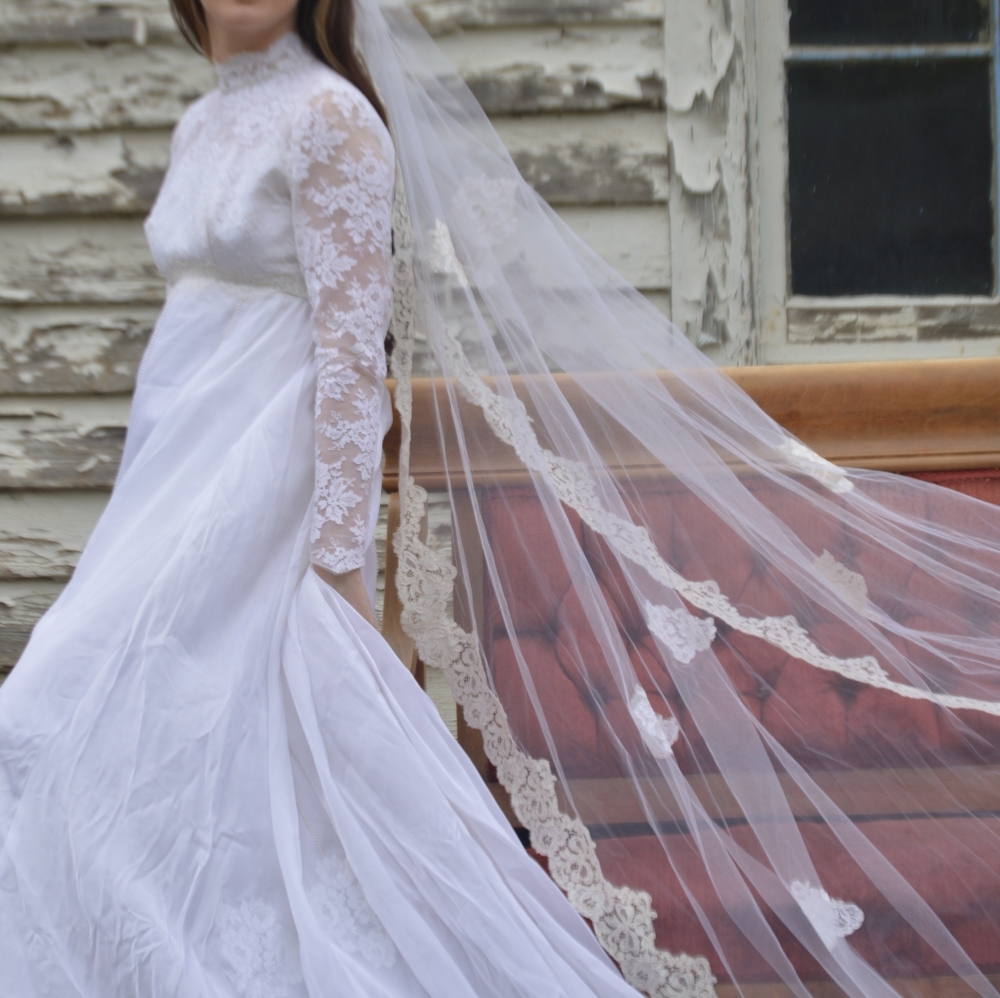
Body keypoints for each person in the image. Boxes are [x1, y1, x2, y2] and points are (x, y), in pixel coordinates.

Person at [2, 0, 1000, 995]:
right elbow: (183, 356)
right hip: (173, 479)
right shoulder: (198, 125)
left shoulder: (332, 119)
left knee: (59, 715)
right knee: (125, 758)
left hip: (257, 501)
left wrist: (338, 560)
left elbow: (352, 356)